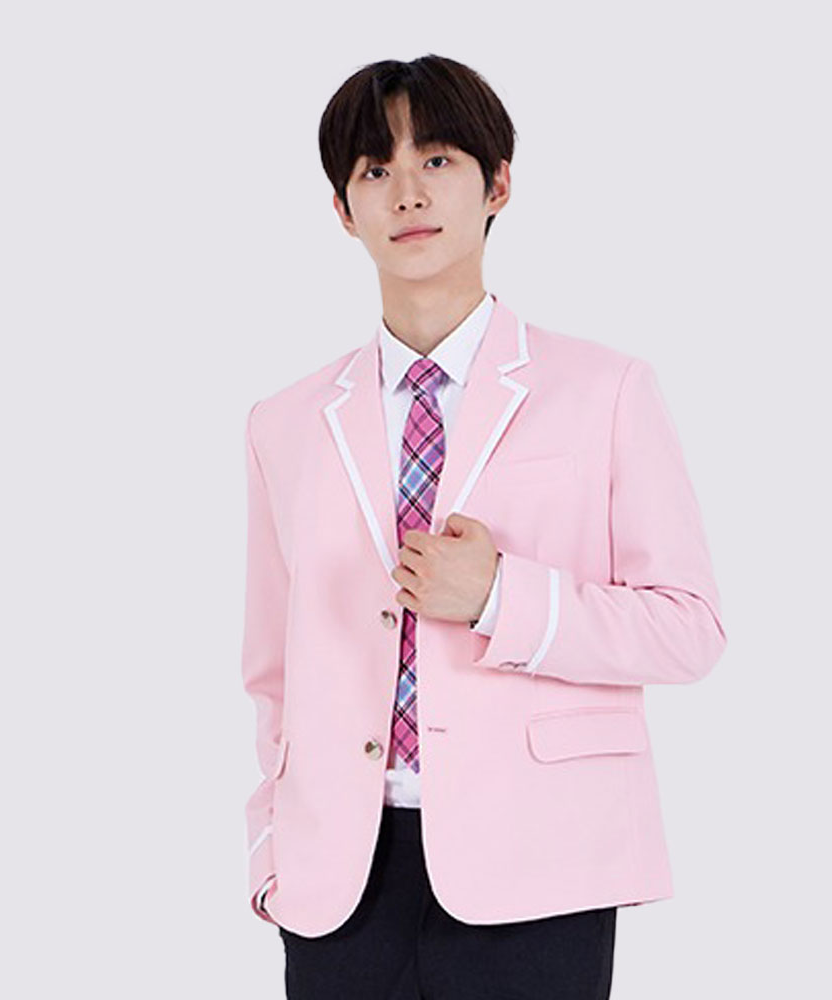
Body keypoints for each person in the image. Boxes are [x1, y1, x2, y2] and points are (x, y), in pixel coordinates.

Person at [239, 53, 727, 999]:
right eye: (376, 170)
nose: (408, 193)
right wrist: (271, 852)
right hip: (338, 880)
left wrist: (503, 597)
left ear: (497, 183)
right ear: (342, 209)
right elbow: (270, 673)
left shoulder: (606, 391)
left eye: (438, 160)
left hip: (541, 869)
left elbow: (690, 627)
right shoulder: (284, 423)